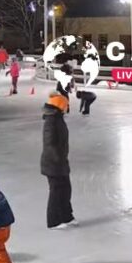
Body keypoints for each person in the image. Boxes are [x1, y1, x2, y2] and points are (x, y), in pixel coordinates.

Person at [41, 92, 76, 229]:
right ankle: (53, 221)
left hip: (61, 162)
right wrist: (57, 159)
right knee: (56, 191)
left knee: (66, 189)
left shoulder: (57, 118)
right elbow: (49, 143)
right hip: (53, 163)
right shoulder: (51, 121)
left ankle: (67, 216)